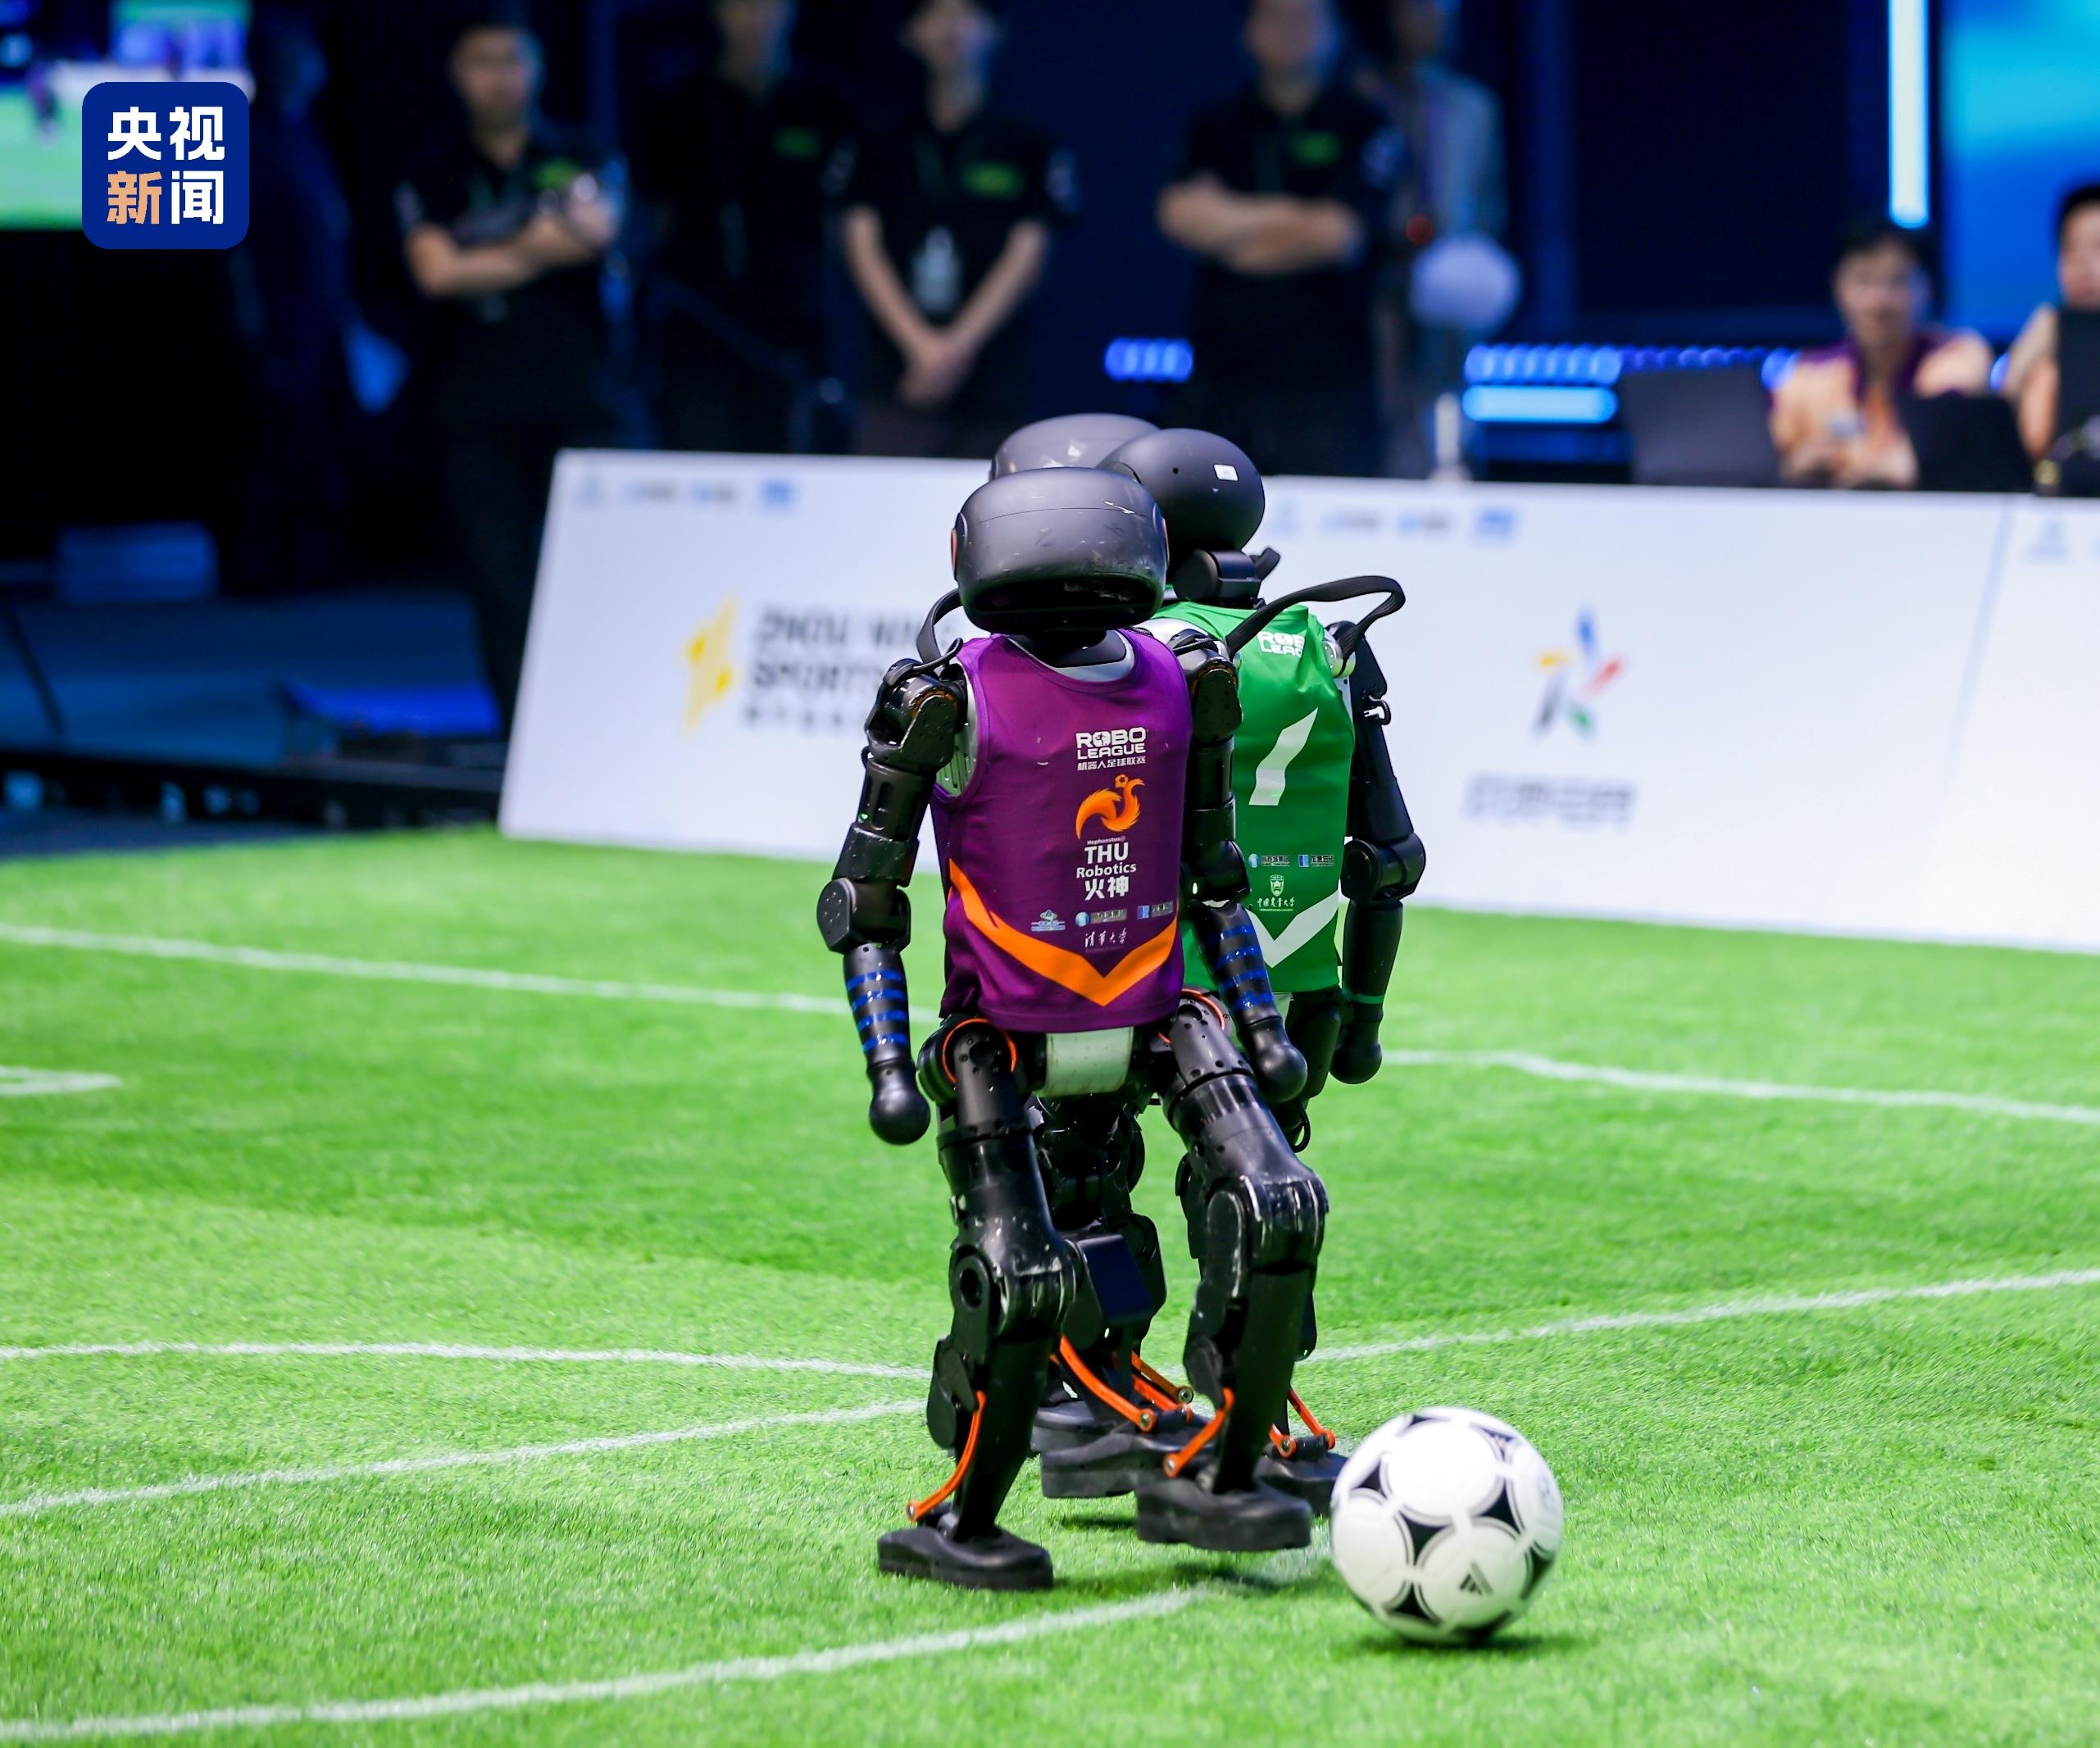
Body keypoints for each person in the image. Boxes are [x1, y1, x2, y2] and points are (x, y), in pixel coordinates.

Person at [396, 9, 635, 729]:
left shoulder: (581, 152)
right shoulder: (434, 171)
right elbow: (436, 275)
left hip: (581, 398)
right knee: (501, 582)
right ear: (457, 74)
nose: (499, 78)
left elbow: (593, 234)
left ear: (536, 67)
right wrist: (537, 240)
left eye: (512, 60)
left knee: (598, 579)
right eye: (482, 63)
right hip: (477, 406)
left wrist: (482, 258)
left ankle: (603, 727)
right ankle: (522, 740)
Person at [1157, 0, 1402, 479]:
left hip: (1328, 380)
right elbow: (1179, 216)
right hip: (1223, 373)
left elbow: (1338, 237)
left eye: (1306, 18)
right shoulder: (1216, 125)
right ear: (1249, 31)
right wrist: (1297, 218)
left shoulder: (1363, 124)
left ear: (1337, 31)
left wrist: (1228, 225)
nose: (1291, 30)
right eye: (1276, 17)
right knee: (1206, 513)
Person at [841, 0, 1077, 460]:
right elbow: (860, 244)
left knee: (999, 498)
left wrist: (953, 349)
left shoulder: (1027, 145)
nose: (951, 26)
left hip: (994, 376)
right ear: (910, 32)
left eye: (967, 12)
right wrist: (919, 346)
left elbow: (1027, 254)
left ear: (996, 30)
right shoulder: (877, 140)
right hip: (894, 372)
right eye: (936, 12)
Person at [633, 0, 856, 454]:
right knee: (703, 459)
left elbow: (843, 224)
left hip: (799, 326)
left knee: (796, 465)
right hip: (699, 323)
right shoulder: (678, 105)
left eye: (769, 6)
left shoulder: (826, 105)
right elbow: (654, 216)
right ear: (717, 12)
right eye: (742, 5)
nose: (756, 18)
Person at [1358, 0, 1514, 474]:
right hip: (1373, 279)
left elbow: (1487, 201)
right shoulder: (1359, 95)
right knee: (1379, 406)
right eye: (1420, 8)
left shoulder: (1473, 106)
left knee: (1445, 399)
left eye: (1445, 9)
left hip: (1447, 278)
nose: (1435, 19)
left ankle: (1450, 472)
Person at [1768, 221, 1992, 489]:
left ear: (1928, 288)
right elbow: (1768, 457)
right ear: (1838, 288)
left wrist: (1858, 469)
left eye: (1897, 282)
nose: (1878, 302)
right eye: (1863, 282)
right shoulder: (1811, 370)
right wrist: (1795, 464)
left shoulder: (1958, 355)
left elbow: (1933, 446)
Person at [2003, 183, 2100, 461]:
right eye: (2070, 248)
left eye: (2098, 246)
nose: (2082, 263)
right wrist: (2024, 360)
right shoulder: (2047, 336)